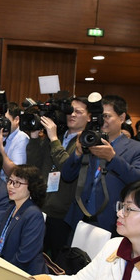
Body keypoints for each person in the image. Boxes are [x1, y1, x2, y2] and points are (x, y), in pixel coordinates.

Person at [61, 95, 140, 235]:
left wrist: (112, 158)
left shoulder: (139, 149)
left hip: (111, 221)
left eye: (107, 116)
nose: (102, 121)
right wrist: (78, 153)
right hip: (79, 217)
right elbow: (67, 175)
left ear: (121, 118)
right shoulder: (89, 142)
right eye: (98, 116)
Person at [29, 96, 91, 254]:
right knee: (36, 254)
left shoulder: (86, 142)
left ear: (89, 117)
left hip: (63, 212)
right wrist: (35, 137)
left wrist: (54, 138)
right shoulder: (58, 136)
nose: (72, 114)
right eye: (70, 111)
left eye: (78, 111)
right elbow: (35, 163)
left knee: (56, 260)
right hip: (43, 205)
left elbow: (68, 169)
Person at [0, 164, 47, 275]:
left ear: (31, 187)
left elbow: (24, 257)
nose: (10, 186)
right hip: (7, 267)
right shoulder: (11, 208)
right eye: (10, 181)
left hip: (25, 275)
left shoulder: (33, 215)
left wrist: (2, 273)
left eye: (17, 183)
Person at [0, 105, 29, 178]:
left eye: (4, 121)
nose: (1, 125)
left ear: (16, 119)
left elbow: (15, 173)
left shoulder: (22, 138)